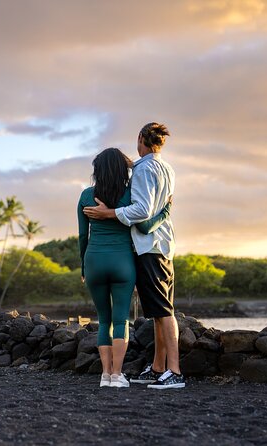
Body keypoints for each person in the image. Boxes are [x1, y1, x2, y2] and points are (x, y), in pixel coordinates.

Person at [83, 122, 183, 389]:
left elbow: (142, 210)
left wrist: (109, 213)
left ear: (140, 138)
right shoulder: (166, 167)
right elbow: (157, 208)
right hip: (162, 243)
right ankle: (159, 366)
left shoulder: (143, 169)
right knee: (158, 310)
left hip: (149, 245)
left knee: (163, 311)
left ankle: (174, 370)